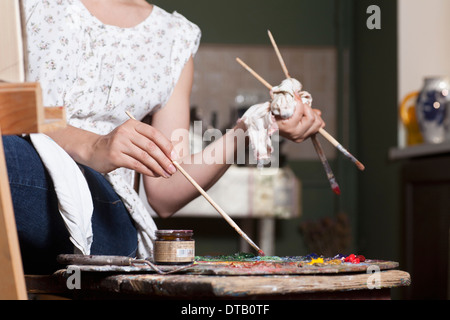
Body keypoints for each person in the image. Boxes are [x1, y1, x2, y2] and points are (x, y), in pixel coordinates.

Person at [3, 0, 324, 274]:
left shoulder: (172, 38)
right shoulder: (25, 5)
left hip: (102, 215)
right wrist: (92, 144)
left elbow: (166, 190)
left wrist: (249, 127)